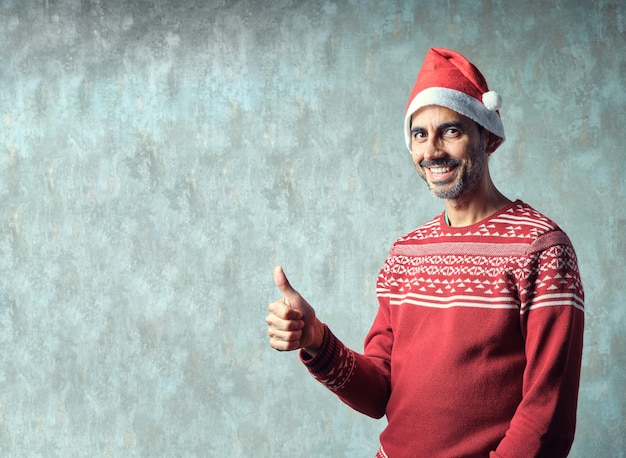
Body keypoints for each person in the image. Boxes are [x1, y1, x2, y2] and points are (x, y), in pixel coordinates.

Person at [265, 48, 585, 457]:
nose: (431, 150)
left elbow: (547, 417)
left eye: (450, 131)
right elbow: (380, 392)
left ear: (486, 137)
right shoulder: (406, 253)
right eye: (419, 134)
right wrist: (315, 340)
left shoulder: (541, 248)